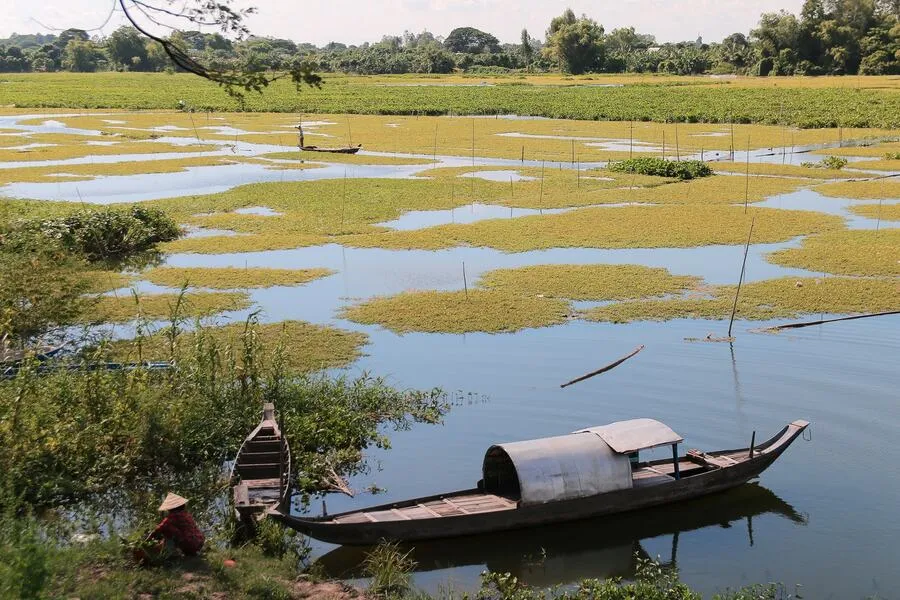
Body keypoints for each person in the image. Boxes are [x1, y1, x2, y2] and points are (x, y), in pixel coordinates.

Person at [148, 493, 205, 557]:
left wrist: (148, 541)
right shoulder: (187, 515)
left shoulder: (173, 517)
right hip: (199, 542)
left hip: (189, 544)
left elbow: (159, 528)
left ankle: (170, 553)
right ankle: (191, 552)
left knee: (167, 528)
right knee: (173, 529)